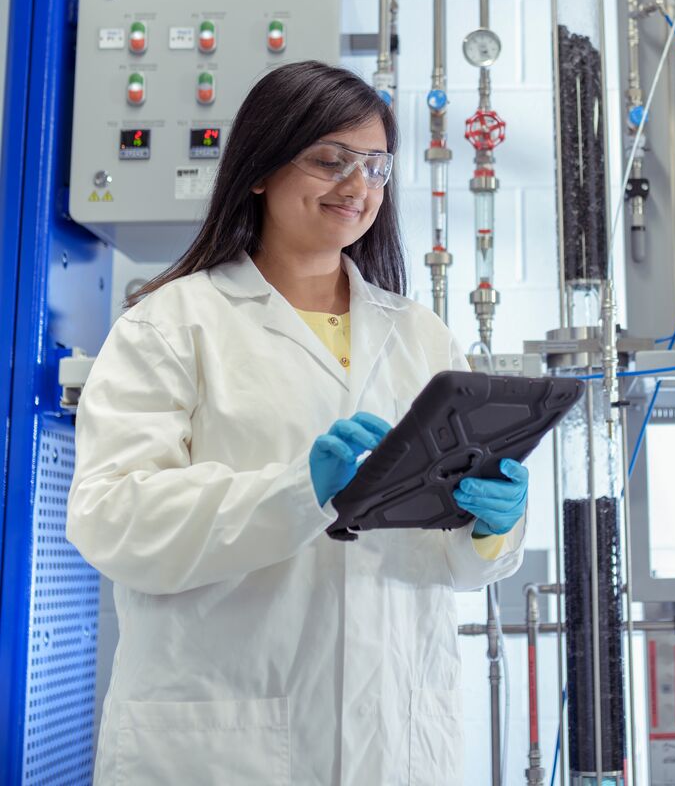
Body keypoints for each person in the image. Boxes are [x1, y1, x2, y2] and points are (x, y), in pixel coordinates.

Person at [67, 61, 528, 786]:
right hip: (221, 742)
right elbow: (112, 518)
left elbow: (450, 566)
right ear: (259, 168)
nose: (358, 186)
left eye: (375, 165)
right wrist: (297, 491)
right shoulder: (172, 324)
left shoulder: (422, 336)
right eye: (330, 160)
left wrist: (490, 527)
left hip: (396, 740)